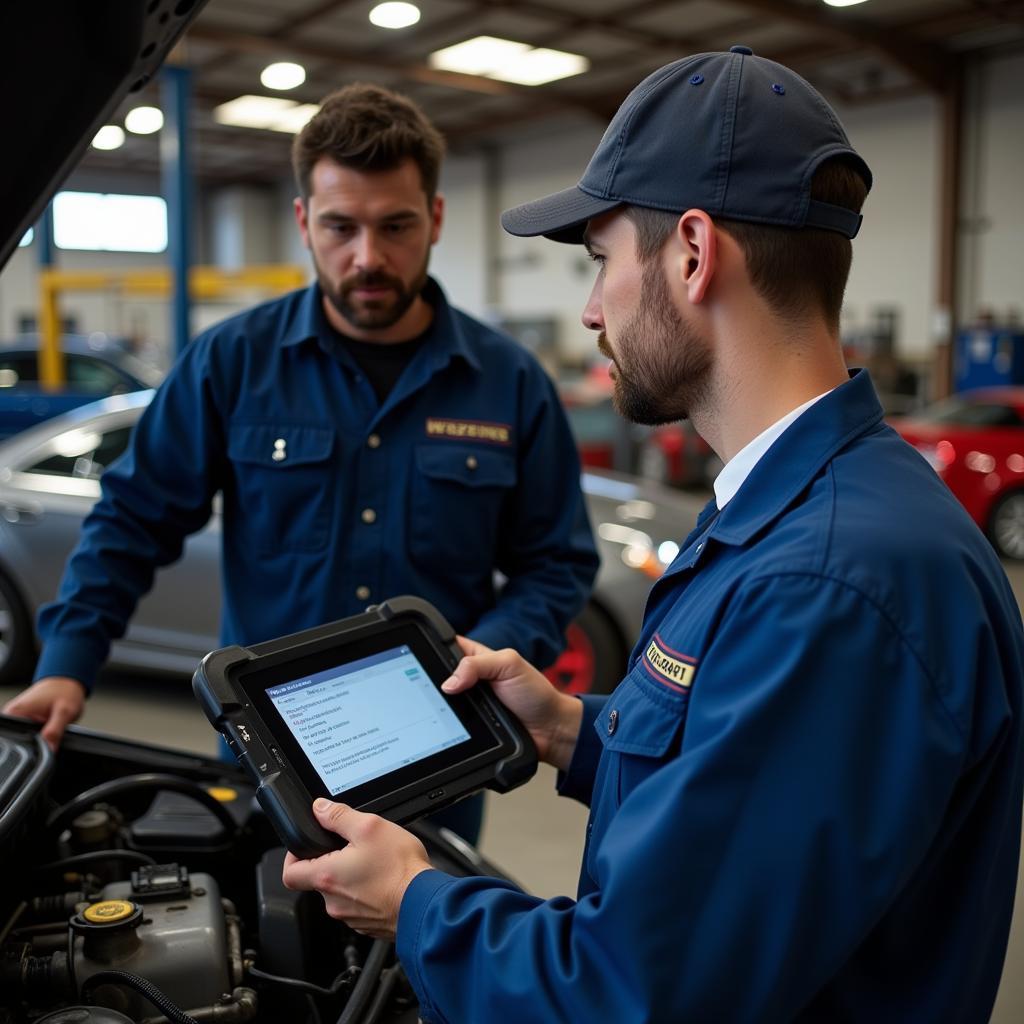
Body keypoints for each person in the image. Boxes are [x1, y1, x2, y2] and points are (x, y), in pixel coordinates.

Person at [279, 48, 1024, 1022]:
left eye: (600, 261)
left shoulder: (831, 582)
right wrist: (567, 729)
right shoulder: (797, 507)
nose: (591, 311)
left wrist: (418, 903)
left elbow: (638, 992)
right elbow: (744, 799)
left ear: (691, 251)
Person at [2, 84, 599, 844]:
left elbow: (557, 562)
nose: (368, 257)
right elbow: (133, 517)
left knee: (420, 956)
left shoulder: (509, 382)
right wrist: (67, 663)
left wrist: (485, 652)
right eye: (340, 227)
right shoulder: (232, 363)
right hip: (271, 757)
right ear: (302, 223)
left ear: (437, 219)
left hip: (442, 754)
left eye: (396, 226)